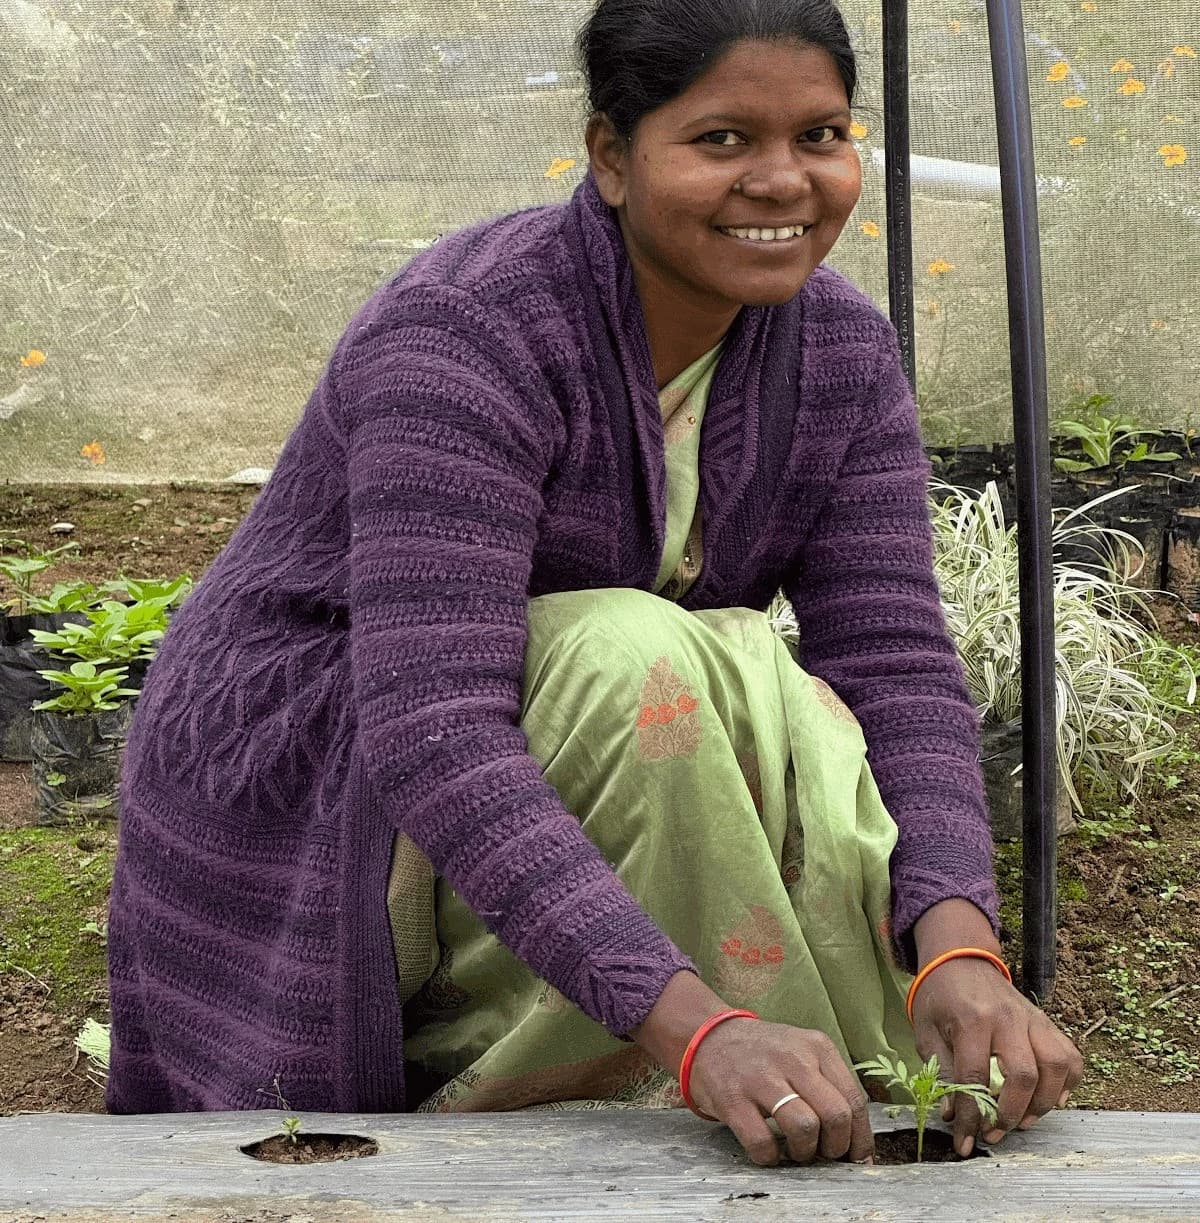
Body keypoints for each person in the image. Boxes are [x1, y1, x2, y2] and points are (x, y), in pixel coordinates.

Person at [106, 0, 1083, 1166]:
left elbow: (894, 664)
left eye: (821, 135)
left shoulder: (841, 350)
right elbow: (434, 721)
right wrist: (696, 1024)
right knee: (644, 657)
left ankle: (841, 1072)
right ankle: (572, 1111)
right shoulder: (470, 329)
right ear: (612, 157)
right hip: (323, 756)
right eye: (722, 140)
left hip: (570, 739)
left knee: (791, 702)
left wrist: (960, 944)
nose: (783, 181)